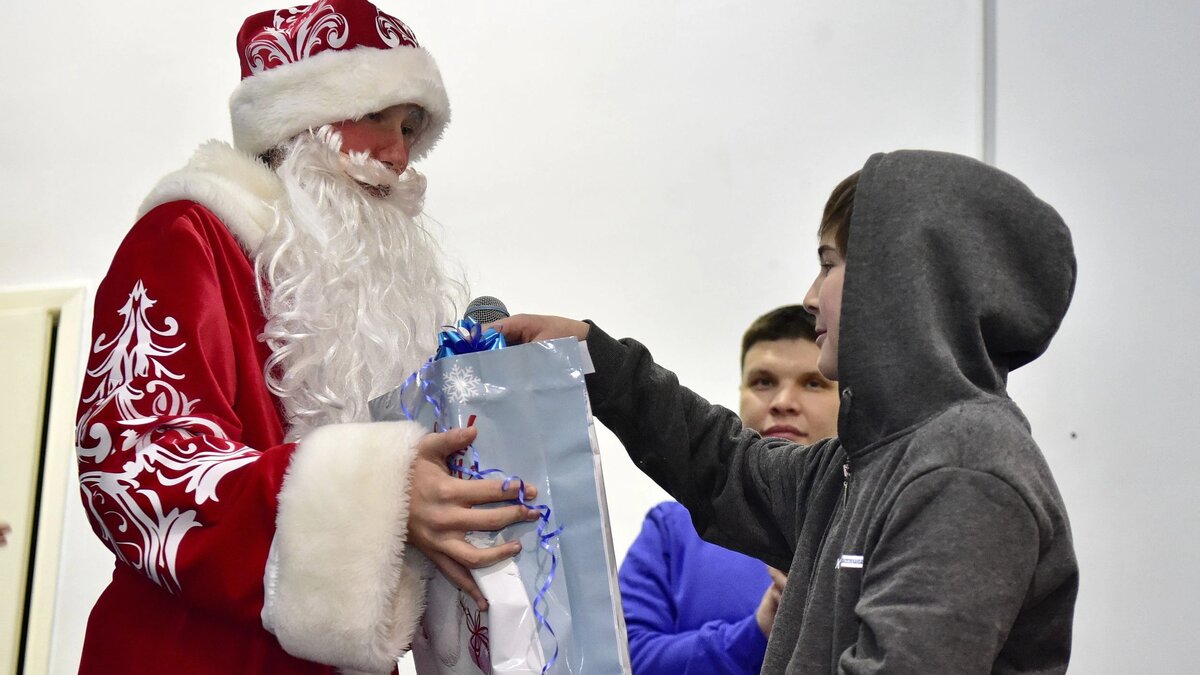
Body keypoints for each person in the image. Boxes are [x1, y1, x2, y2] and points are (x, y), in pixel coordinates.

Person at [73, 2, 537, 673]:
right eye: (376, 115)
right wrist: (380, 493)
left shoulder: (360, 300)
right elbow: (137, 467)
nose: (399, 154)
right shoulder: (187, 237)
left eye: (411, 128)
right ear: (296, 122)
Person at [497, 150, 1079, 673]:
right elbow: (726, 466)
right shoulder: (861, 465)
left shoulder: (962, 469)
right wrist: (592, 356)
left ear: (902, 282)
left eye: (829, 263)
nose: (809, 295)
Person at [619, 305, 839, 674]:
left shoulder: (874, 520)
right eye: (763, 382)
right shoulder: (673, 528)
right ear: (739, 394)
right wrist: (758, 631)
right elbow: (625, 660)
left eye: (813, 382)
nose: (783, 402)